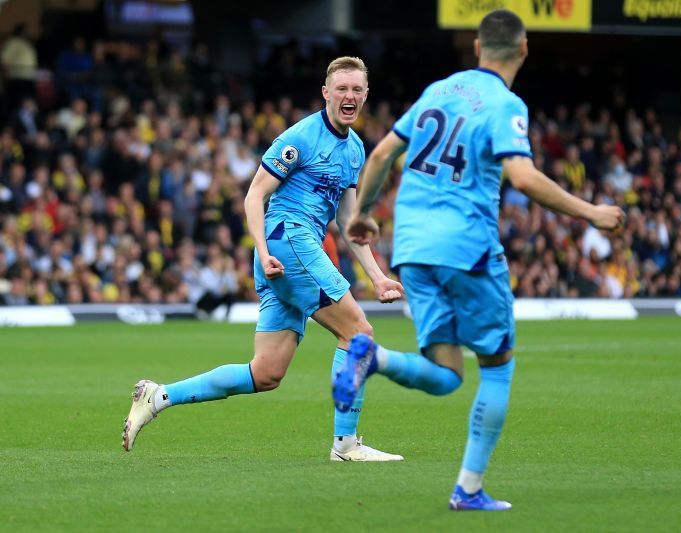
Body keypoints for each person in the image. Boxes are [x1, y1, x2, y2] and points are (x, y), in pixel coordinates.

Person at [333, 10, 625, 511]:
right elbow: (526, 177)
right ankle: (468, 489)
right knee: (498, 366)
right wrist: (592, 212)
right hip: (467, 247)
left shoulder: (438, 91)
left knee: (446, 373)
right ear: (524, 49)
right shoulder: (505, 103)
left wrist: (361, 216)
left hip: (414, 250)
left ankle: (372, 357)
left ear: (475, 48)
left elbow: (381, 156)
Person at [123, 57, 405, 462]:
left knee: (266, 373)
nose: (349, 96)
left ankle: (158, 396)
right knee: (358, 334)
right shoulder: (301, 137)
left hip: (288, 252)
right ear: (326, 93)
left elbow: (348, 222)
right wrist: (264, 249)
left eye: (357, 89)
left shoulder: (355, 149)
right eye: (341, 88)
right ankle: (346, 445)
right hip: (289, 242)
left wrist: (377, 276)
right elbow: (254, 194)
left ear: (365, 95)